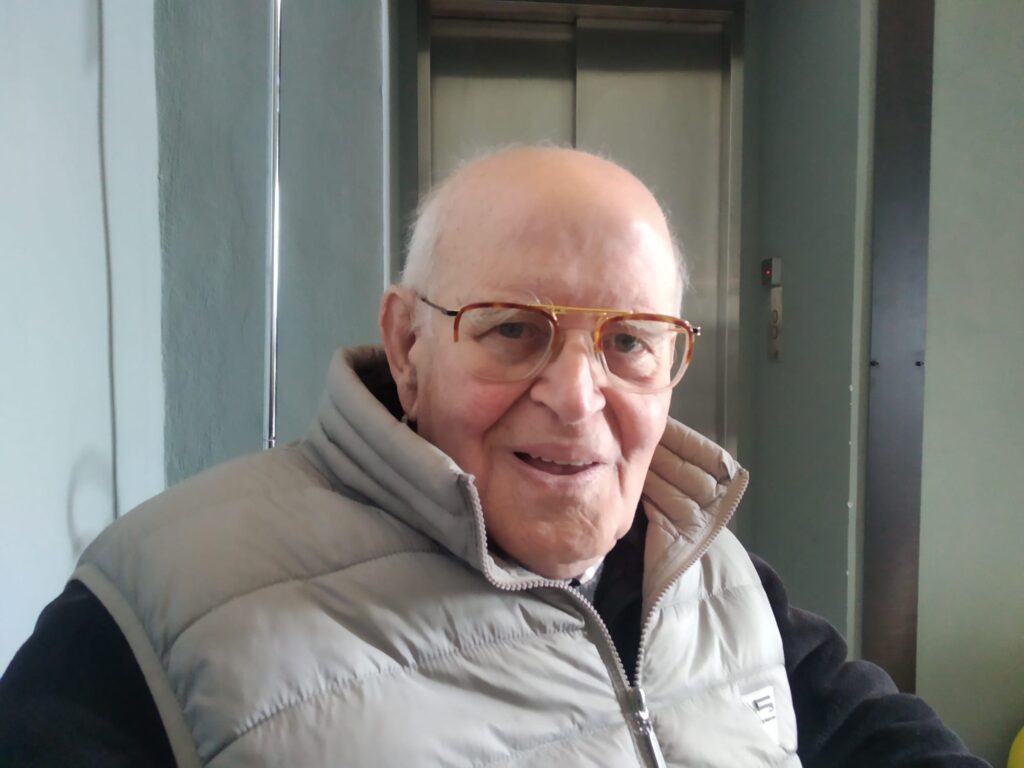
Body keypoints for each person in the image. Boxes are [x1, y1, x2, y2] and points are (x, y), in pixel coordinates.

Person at [0, 148, 988, 767]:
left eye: (629, 341)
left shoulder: (714, 575)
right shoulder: (159, 611)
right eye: (513, 329)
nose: (576, 396)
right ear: (407, 344)